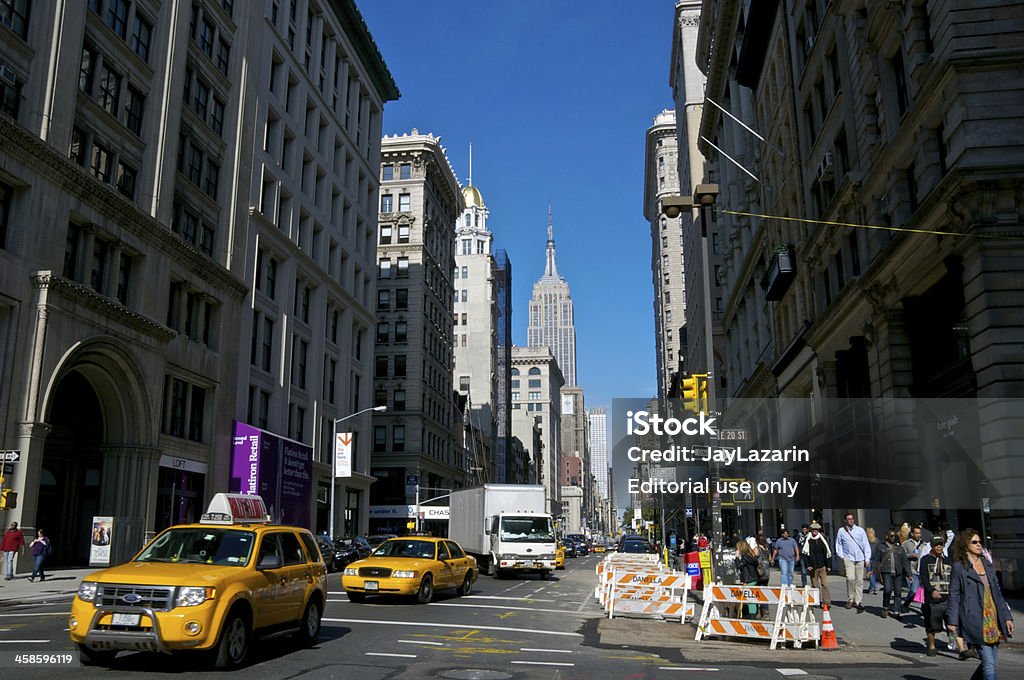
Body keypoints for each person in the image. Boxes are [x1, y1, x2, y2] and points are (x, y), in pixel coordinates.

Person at [947, 529, 1014, 680]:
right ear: (965, 545)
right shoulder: (959, 567)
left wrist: (1007, 617)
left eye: (979, 542)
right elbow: (954, 595)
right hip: (974, 618)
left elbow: (997, 593)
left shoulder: (987, 564)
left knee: (989, 662)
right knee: (989, 664)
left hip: (993, 618)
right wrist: (952, 621)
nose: (979, 545)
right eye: (974, 542)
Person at [920, 534, 960, 657]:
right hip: (932, 599)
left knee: (952, 623)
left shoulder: (948, 560)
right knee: (932, 624)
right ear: (932, 546)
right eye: (936, 545)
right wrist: (931, 590)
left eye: (941, 545)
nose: (939, 547)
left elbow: (954, 577)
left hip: (948, 598)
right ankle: (931, 646)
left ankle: (956, 645)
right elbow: (924, 577)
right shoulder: (925, 560)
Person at [835, 512, 872, 612]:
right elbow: (838, 544)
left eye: (852, 518)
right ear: (845, 521)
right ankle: (851, 598)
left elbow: (866, 544)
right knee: (850, 578)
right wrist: (842, 556)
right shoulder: (841, 531)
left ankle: (858, 601)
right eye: (849, 519)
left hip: (860, 558)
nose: (851, 520)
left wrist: (867, 558)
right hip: (848, 558)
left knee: (859, 580)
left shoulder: (860, 530)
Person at [878, 528, 910, 618]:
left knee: (898, 592)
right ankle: (885, 607)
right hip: (886, 572)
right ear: (887, 536)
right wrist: (873, 570)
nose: (893, 537)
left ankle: (896, 611)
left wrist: (909, 574)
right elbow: (876, 559)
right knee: (887, 590)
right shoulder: (881, 546)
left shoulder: (899, 547)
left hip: (898, 573)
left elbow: (905, 561)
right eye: (891, 536)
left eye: (894, 536)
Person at [802, 522, 832, 607]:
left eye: (816, 530)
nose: (815, 531)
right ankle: (816, 602)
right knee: (815, 585)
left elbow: (827, 552)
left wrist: (828, 565)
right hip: (813, 567)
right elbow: (805, 554)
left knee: (824, 585)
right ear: (811, 531)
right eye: (813, 530)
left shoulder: (823, 540)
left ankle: (826, 602)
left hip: (822, 565)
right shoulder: (808, 540)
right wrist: (808, 565)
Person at [902, 524, 926, 613]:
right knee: (914, 590)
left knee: (924, 590)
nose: (918, 535)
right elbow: (902, 556)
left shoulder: (924, 544)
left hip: (922, 570)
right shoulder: (906, 543)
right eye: (916, 533)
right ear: (912, 534)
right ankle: (906, 603)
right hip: (912, 569)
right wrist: (910, 555)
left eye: (919, 533)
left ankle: (924, 608)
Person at [735, 540, 760, 619]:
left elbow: (739, 566)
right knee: (751, 598)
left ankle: (752, 616)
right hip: (753, 578)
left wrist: (736, 557)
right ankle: (753, 614)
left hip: (749, 579)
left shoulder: (745, 557)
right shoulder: (750, 555)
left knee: (750, 599)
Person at [866, 527, 881, 594]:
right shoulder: (877, 540)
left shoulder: (866, 541)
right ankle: (871, 587)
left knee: (870, 573)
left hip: (868, 558)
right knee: (873, 574)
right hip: (876, 559)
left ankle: (874, 587)